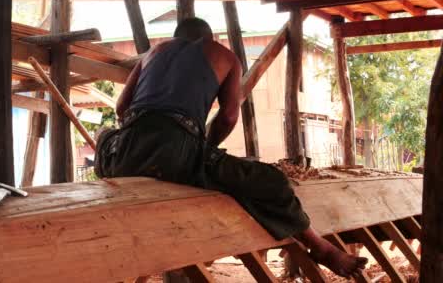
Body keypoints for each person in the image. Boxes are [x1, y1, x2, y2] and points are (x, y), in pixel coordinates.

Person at [95, 17, 367, 279]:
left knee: (104, 134)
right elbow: (228, 117)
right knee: (271, 181)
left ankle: (116, 159)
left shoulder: (153, 53)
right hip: (176, 154)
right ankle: (321, 247)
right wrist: (204, 148)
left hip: (123, 155)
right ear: (208, 38)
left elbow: (121, 108)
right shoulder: (224, 56)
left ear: (177, 36)